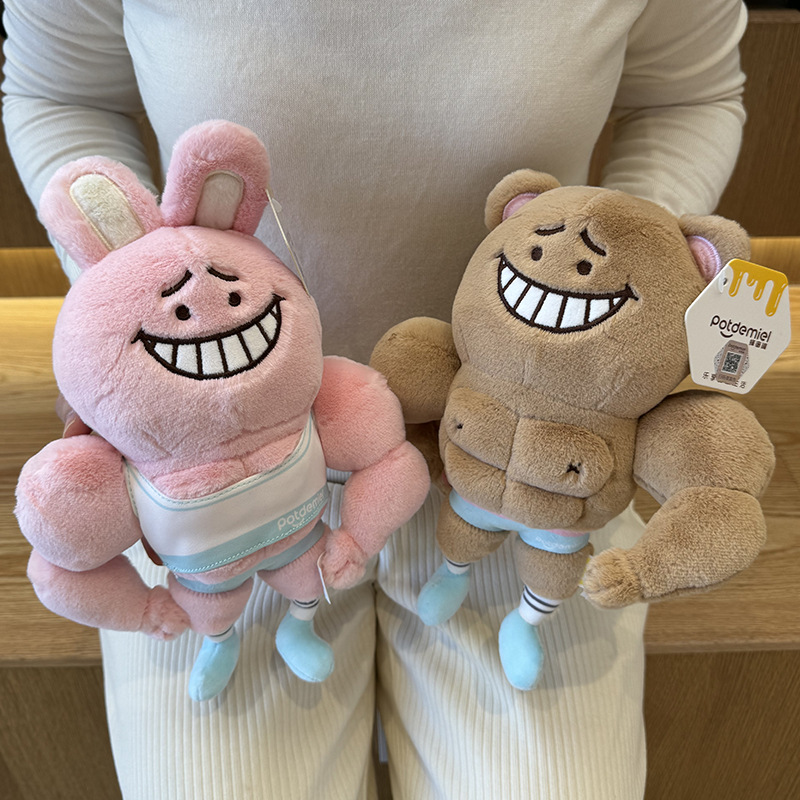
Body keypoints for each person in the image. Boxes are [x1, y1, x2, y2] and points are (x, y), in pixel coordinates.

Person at [2, 1, 748, 797]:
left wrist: (626, 293)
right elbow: (62, 92)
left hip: (532, 452)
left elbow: (687, 95)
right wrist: (128, 308)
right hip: (202, 468)